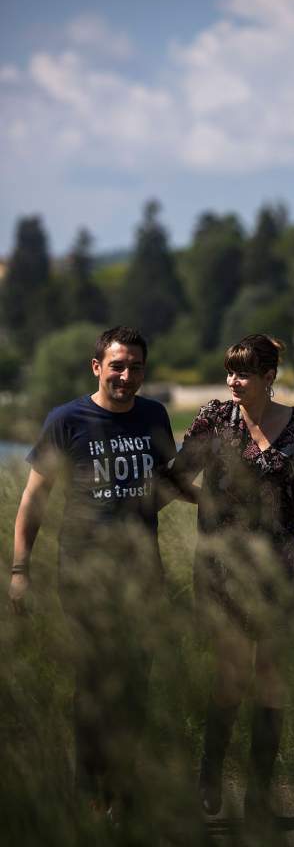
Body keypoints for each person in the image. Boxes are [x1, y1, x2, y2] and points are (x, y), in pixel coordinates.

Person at [8, 326, 179, 814]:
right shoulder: (67, 420)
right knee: (96, 681)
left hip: (144, 574)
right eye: (118, 365)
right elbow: (34, 499)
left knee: (136, 685)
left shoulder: (153, 415)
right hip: (83, 575)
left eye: (136, 367)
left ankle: (124, 792)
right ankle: (89, 790)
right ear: (97, 366)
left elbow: (164, 484)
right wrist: (20, 570)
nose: (127, 376)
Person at [172, 333, 294, 826]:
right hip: (222, 570)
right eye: (229, 372)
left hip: (283, 570)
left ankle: (260, 795)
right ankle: (209, 774)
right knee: (231, 674)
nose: (232, 381)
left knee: (270, 679)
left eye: (243, 373)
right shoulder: (214, 419)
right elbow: (177, 475)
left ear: (269, 377)